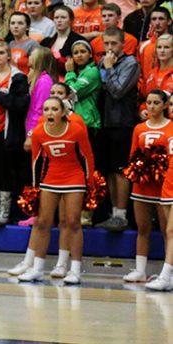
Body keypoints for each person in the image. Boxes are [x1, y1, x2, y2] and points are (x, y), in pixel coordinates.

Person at [16, 97, 93, 284]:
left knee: (73, 222)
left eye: (54, 109)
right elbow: (35, 161)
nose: (50, 113)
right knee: (42, 222)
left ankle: (75, 270)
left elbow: (87, 156)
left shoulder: (76, 130)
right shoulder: (39, 133)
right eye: (46, 109)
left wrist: (89, 183)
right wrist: (35, 188)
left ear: (63, 112)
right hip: (51, 179)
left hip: (74, 178)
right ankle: (37, 268)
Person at [93, 27, 141, 233]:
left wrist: (110, 68)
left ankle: (122, 215)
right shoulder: (101, 62)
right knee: (110, 171)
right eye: (107, 44)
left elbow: (118, 90)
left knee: (121, 171)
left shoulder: (131, 63)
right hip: (105, 122)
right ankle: (114, 213)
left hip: (123, 123)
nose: (110, 48)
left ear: (122, 44)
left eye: (114, 44)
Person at [123, 90, 172, 283]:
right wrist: (138, 171)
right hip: (142, 186)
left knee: (166, 229)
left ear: (165, 105)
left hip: (163, 187)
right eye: (148, 103)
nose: (151, 107)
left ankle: (166, 273)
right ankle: (141, 270)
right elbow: (133, 155)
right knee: (143, 228)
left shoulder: (171, 127)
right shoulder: (139, 129)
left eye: (156, 103)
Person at [0, 42, 30, 226]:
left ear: (9, 56)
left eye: (2, 53)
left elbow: (19, 105)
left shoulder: (18, 78)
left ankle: (5, 212)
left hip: (9, 133)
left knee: (6, 173)